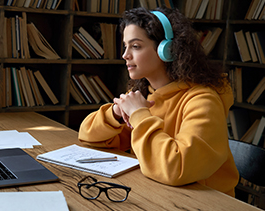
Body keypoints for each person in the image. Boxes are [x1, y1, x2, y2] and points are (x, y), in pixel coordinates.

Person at [78, 6, 239, 197]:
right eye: (125, 46)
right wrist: (115, 114)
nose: (125, 55)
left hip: (202, 202)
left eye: (135, 46)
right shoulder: (144, 93)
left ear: (167, 50)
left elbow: (176, 168)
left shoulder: (203, 101)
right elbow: (87, 134)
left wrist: (138, 115)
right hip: (158, 192)